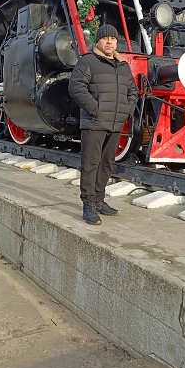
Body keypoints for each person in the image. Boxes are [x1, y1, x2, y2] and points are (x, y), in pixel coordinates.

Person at [69, 24, 139, 225]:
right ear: (98, 41)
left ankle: (99, 200)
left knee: (107, 163)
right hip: (94, 122)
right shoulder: (88, 61)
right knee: (90, 164)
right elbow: (76, 87)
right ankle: (88, 204)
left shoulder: (123, 65)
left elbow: (133, 91)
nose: (109, 42)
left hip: (115, 123)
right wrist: (95, 109)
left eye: (113, 39)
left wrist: (126, 110)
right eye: (105, 38)